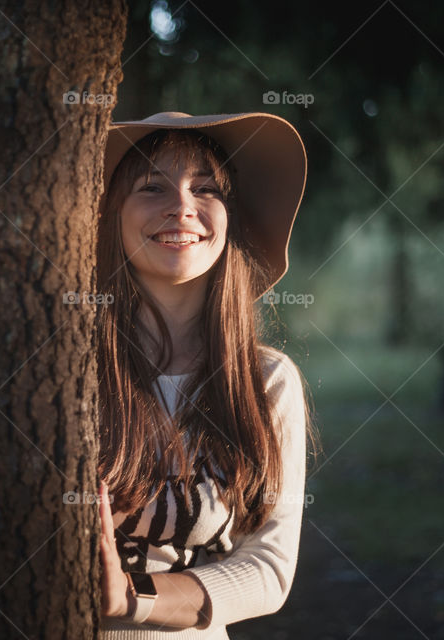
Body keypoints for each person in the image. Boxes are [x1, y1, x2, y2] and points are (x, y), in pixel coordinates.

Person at [94, 112, 319, 638]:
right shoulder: (63, 370)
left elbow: (267, 568)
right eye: (152, 186)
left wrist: (130, 599)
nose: (182, 206)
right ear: (110, 213)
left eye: (206, 188)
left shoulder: (267, 380)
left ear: (229, 218)